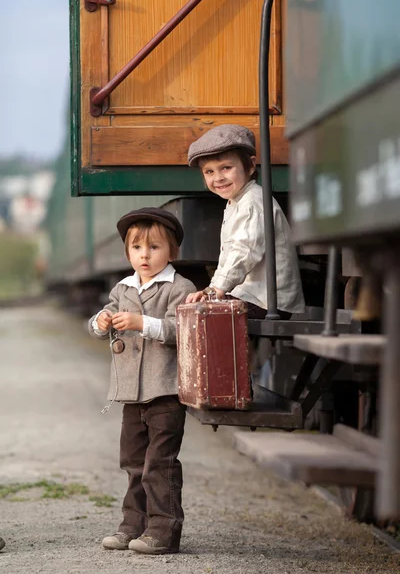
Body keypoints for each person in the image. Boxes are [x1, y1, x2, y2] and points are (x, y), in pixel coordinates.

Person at [88, 207, 196, 555]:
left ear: (172, 251)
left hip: (165, 391)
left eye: (154, 247)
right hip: (131, 394)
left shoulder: (179, 287)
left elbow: (182, 330)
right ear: (128, 252)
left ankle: (163, 529)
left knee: (159, 463)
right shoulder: (123, 287)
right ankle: (132, 525)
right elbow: (95, 323)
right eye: (137, 248)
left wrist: (141, 323)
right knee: (133, 462)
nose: (144, 255)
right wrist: (101, 320)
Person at [185, 124, 305, 317]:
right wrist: (213, 288)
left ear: (250, 166)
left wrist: (217, 290)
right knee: (197, 310)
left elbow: (245, 251)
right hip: (249, 295)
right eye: (209, 172)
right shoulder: (236, 202)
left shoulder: (252, 202)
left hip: (267, 300)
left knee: (206, 317)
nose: (218, 178)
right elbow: (227, 258)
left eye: (226, 167)